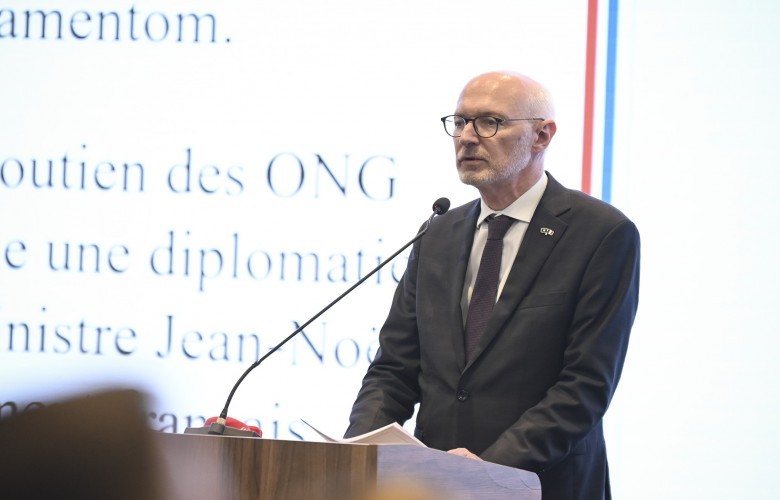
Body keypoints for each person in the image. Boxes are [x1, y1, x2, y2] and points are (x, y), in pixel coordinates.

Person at [344, 71, 640, 500]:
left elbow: (584, 387)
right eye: (460, 122)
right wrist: (357, 453)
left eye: (489, 122)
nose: (467, 137)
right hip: (433, 487)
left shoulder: (600, 233)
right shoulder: (438, 233)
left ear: (542, 135)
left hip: (543, 485)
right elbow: (394, 369)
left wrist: (488, 469)